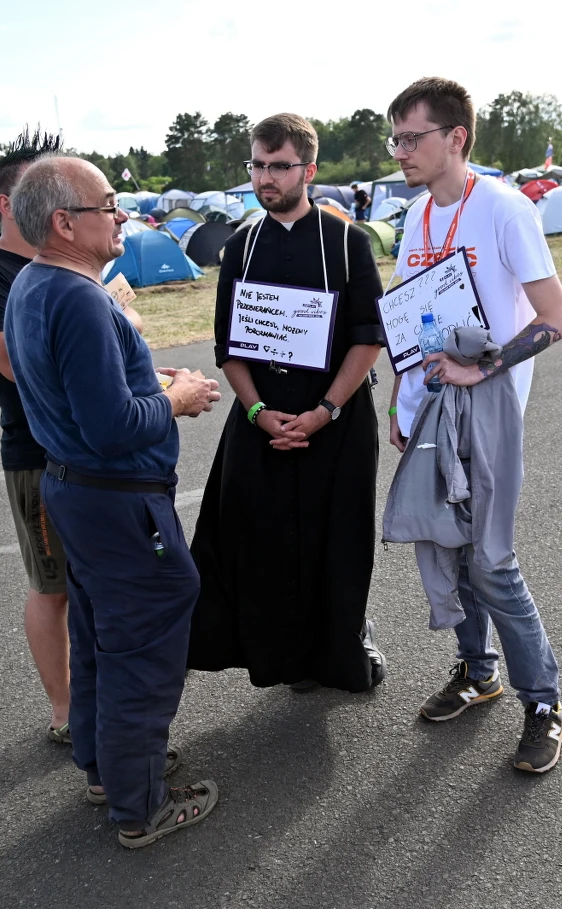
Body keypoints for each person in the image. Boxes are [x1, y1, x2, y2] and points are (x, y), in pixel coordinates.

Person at [5, 156, 223, 850]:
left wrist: (149, 380)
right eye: (109, 204)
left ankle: (106, 766)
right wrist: (178, 398)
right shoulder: (78, 297)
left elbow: (82, 394)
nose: (121, 215)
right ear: (65, 221)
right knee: (146, 639)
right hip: (116, 497)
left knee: (102, 634)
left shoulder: (33, 284)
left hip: (77, 490)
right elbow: (112, 426)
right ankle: (139, 803)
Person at [385, 77, 562, 773]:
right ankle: (477, 669)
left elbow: (558, 319)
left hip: (487, 407)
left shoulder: (502, 210)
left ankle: (544, 702)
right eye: (396, 138)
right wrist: (401, 405)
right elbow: (411, 320)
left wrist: (483, 369)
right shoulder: (414, 217)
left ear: (456, 138)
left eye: (413, 137)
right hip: (429, 408)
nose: (400, 150)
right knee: (446, 545)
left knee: (492, 561)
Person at [188, 114, 388, 693]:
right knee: (263, 543)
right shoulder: (240, 245)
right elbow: (229, 348)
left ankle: (347, 640)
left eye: (280, 166)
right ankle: (282, 656)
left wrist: (325, 411)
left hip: (338, 415)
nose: (266, 177)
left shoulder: (347, 242)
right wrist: (256, 412)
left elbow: (367, 337)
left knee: (339, 539)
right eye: (258, 165)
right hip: (262, 416)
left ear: (309, 169)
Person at [0, 127, 78, 745]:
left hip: (93, 449)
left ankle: (98, 703)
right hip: (38, 455)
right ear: (7, 203)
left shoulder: (69, 262)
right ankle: (65, 713)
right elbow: (14, 360)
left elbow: (122, 331)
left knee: (95, 587)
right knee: (52, 587)